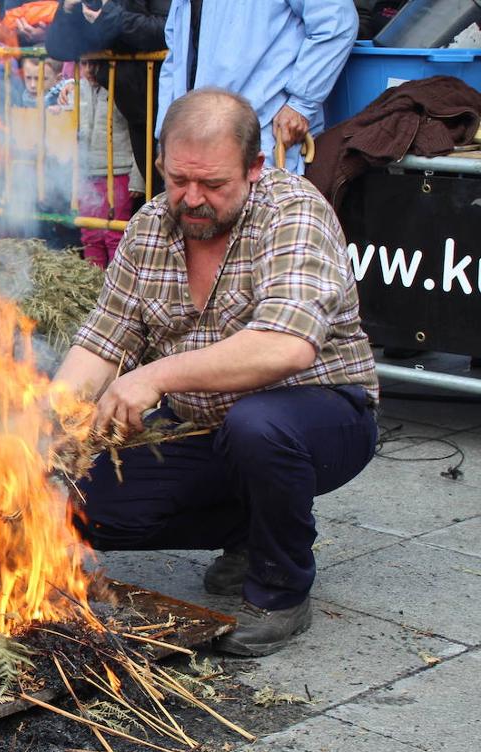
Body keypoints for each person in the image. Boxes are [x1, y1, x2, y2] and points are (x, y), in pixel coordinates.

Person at [53, 89, 379, 656]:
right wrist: (42, 430)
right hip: (206, 430)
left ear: (254, 168)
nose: (193, 199)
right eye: (179, 179)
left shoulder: (293, 212)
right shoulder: (150, 229)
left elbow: (287, 347)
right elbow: (100, 346)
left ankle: (281, 591)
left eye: (213, 184)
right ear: (160, 163)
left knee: (259, 427)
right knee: (74, 502)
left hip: (320, 415)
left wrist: (153, 377)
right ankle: (248, 532)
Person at [156, 0, 358, 175]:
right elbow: (176, 57)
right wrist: (166, 134)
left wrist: (300, 105)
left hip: (263, 136)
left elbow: (337, 22)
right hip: (194, 140)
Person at [46, 0, 171, 193]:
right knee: (156, 195)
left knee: (168, 190)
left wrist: (112, 17)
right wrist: (67, 10)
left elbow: (168, 31)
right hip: (129, 109)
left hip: (164, 106)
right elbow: (59, 47)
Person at [75, 60, 137, 267]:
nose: (89, 70)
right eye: (84, 63)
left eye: (96, 63)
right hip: (86, 172)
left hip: (118, 171)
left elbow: (139, 131)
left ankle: (114, 286)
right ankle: (92, 283)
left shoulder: (122, 88)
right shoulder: (77, 87)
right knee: (89, 233)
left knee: (115, 234)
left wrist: (138, 177)